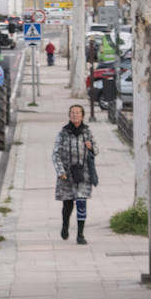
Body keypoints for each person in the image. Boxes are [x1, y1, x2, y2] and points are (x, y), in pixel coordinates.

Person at [53, 103, 97, 244]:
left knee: (81, 202)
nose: (75, 115)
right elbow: (56, 154)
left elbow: (96, 150)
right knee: (68, 204)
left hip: (83, 174)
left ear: (82, 116)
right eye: (72, 112)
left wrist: (92, 147)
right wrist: (61, 171)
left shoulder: (88, 132)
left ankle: (80, 234)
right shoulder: (63, 133)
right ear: (69, 115)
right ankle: (65, 226)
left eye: (78, 113)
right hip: (67, 174)